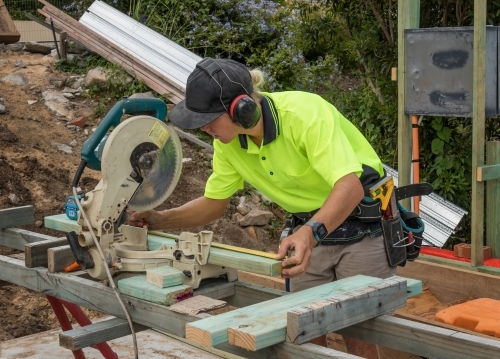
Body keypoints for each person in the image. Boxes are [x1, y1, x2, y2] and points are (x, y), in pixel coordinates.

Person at [129, 57, 395, 357]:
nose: (203, 128)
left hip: (362, 223)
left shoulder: (305, 114)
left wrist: (309, 234)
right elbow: (214, 203)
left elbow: (350, 187)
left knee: (356, 328)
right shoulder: (227, 143)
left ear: (242, 109)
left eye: (209, 119)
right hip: (309, 230)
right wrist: (161, 219)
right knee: (305, 330)